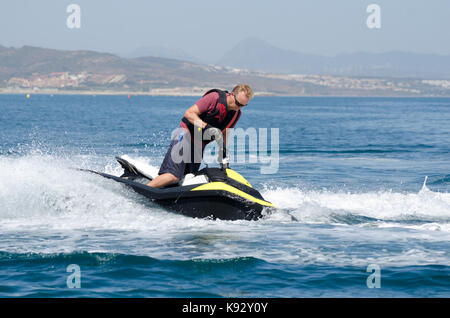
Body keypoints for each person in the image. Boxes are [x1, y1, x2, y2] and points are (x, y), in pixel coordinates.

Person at [147, 84, 254, 188]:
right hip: (186, 134)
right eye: (237, 103)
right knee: (173, 176)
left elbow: (225, 133)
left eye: (243, 106)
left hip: (199, 144)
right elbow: (189, 114)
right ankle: (144, 190)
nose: (238, 108)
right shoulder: (214, 98)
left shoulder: (236, 113)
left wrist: (223, 153)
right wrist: (206, 127)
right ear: (232, 94)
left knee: (188, 179)